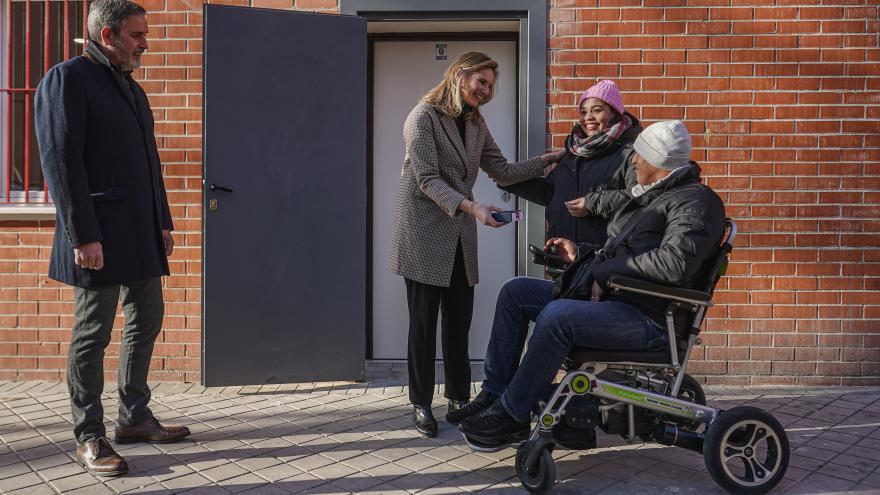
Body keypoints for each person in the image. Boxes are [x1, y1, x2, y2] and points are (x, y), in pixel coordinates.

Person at [454, 121, 726, 446]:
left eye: (639, 156)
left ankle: (512, 415)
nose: (634, 162)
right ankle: (496, 393)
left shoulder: (695, 202)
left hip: (649, 318)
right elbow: (623, 254)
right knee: (516, 292)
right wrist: (580, 255)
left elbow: (675, 265)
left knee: (559, 317)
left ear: (659, 161)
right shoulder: (651, 197)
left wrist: (603, 272)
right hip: (617, 300)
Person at [34, 0, 190, 477]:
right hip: (96, 234)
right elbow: (62, 164)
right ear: (108, 35)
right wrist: (82, 234)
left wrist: (162, 220)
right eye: (137, 35)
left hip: (138, 231)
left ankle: (135, 417)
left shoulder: (131, 88)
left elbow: (149, 163)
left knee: (148, 318)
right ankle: (89, 435)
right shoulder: (68, 79)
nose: (146, 43)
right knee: (93, 333)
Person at [389, 51, 565, 438]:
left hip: (459, 232)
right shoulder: (422, 117)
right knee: (422, 323)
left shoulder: (476, 124)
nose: (486, 91)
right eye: (481, 82)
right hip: (422, 231)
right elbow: (427, 179)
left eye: (490, 85)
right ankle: (420, 403)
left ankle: (457, 398)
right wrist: (472, 207)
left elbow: (501, 171)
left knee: (458, 320)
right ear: (459, 75)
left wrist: (548, 160)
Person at [499, 80, 642, 251]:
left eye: (597, 110)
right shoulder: (574, 152)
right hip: (562, 258)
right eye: (583, 112)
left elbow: (641, 195)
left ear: (615, 113)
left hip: (600, 259)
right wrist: (508, 178)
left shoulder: (630, 153)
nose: (588, 117)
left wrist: (593, 204)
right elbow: (551, 193)